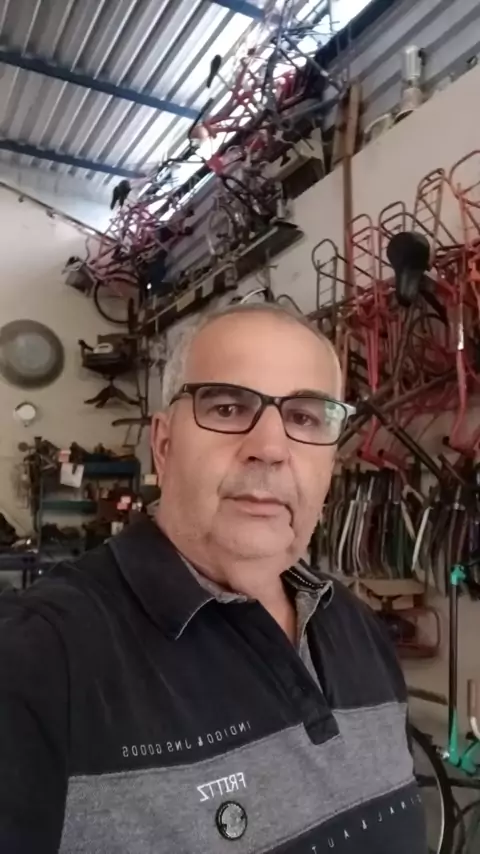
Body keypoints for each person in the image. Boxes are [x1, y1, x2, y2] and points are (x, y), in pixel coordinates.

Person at [0, 303, 426, 854]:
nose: (270, 449)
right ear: (164, 443)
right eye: (227, 408)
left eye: (304, 418)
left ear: (331, 462)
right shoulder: (36, 661)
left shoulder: (359, 627)